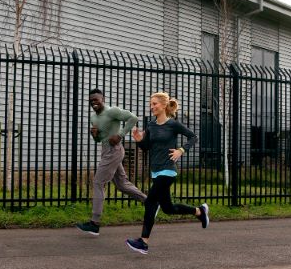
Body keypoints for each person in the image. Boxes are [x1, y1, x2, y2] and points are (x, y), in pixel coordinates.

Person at [126, 91, 208, 254]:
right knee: (168, 208)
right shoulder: (151, 125)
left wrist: (181, 150)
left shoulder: (173, 124)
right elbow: (147, 147)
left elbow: (193, 137)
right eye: (151, 104)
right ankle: (199, 211)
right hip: (156, 171)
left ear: (163, 105)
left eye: (154, 104)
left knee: (150, 202)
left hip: (168, 171)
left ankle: (143, 242)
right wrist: (139, 140)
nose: (152, 107)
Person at [76, 88, 147, 235]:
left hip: (114, 151)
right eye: (91, 101)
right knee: (122, 184)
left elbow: (133, 118)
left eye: (96, 99)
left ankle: (95, 223)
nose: (93, 102)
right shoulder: (93, 117)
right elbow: (98, 140)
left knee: (98, 182)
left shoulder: (112, 111)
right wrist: (94, 135)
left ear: (103, 98)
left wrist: (120, 135)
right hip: (106, 151)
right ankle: (149, 202)